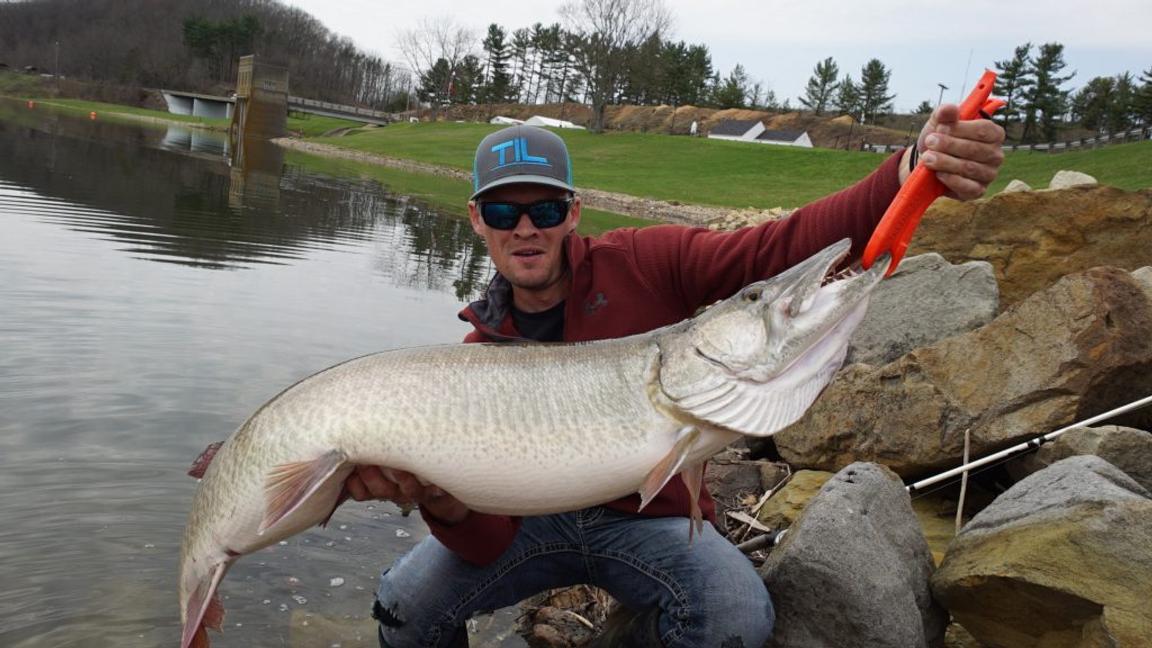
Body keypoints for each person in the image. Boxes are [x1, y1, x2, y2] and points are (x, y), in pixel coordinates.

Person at [346, 108, 1005, 647]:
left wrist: (909, 170)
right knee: (403, 609)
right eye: (503, 214)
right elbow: (488, 538)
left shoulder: (648, 260)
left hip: (648, 525)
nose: (524, 229)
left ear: (572, 213)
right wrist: (441, 502)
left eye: (543, 211)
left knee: (733, 616)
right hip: (531, 528)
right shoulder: (477, 353)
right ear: (477, 222)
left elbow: (778, 248)